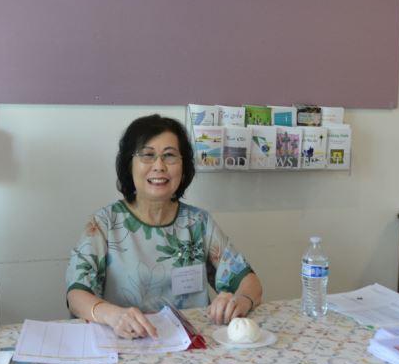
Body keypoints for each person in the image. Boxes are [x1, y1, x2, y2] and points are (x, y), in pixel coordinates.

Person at [66, 115, 262, 338]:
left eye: (169, 155)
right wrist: (112, 315)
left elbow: (249, 281)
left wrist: (239, 301)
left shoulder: (198, 223)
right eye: (147, 155)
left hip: (193, 344)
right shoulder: (104, 223)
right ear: (129, 164)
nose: (159, 166)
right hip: (127, 342)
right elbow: (76, 294)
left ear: (183, 166)